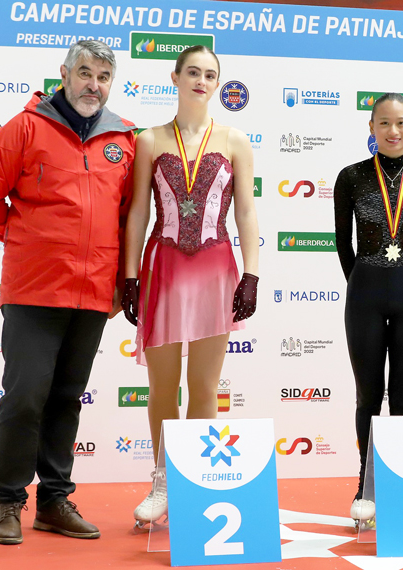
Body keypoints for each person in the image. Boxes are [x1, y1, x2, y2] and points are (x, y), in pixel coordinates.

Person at [0, 40, 136, 544]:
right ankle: (9, 502)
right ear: (63, 73)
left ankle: (55, 501)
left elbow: (129, 217)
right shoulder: (24, 127)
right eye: (85, 73)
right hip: (34, 291)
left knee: (66, 398)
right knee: (24, 398)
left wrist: (120, 284)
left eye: (103, 77)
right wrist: (26, 241)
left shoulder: (123, 139)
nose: (93, 85)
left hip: (93, 293)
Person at [121, 44, 259, 527]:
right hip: (163, 269)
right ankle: (161, 482)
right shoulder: (150, 140)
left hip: (217, 270)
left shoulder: (236, 140)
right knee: (163, 386)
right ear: (175, 77)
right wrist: (131, 275)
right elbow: (138, 211)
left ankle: (196, 480)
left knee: (203, 386)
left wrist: (253, 272)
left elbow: (245, 211)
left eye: (211, 75)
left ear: (218, 84)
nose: (202, 80)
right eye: (194, 72)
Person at [334, 93, 403, 524]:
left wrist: (402, 274)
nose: (393, 131)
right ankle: (366, 485)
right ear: (371, 127)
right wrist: (363, 278)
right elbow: (344, 243)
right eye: (384, 123)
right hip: (364, 292)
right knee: (367, 397)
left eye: (401, 123)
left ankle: (398, 485)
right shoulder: (350, 177)